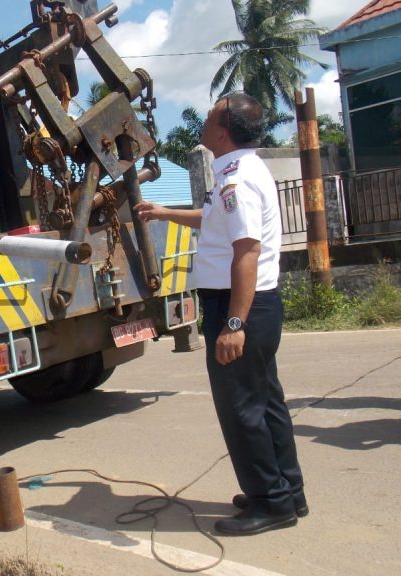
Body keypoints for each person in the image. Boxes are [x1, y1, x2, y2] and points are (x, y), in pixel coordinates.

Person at [135, 92, 307, 536]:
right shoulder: (237, 169)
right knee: (266, 402)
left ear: (224, 128)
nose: (205, 117)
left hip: (238, 306)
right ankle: (287, 491)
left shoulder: (237, 181)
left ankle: (271, 505)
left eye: (212, 114)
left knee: (242, 409)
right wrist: (165, 212)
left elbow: (246, 252)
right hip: (253, 305)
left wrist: (233, 324)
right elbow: (214, 220)